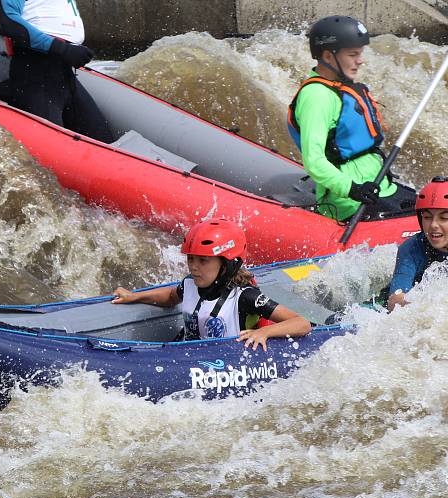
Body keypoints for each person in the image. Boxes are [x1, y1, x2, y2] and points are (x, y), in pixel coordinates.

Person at [112, 219, 312, 351]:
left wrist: (263, 332)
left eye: (203, 260)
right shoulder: (189, 285)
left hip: (224, 365)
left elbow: (302, 323)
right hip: (188, 356)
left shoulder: (245, 297)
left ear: (226, 264)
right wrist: (135, 296)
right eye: (191, 259)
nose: (194, 267)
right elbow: (172, 297)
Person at [287, 15, 414, 221]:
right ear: (328, 56)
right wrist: (352, 189)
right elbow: (314, 161)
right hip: (351, 202)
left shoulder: (339, 86)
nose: (360, 60)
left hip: (379, 187)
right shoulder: (317, 98)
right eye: (353, 54)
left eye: (360, 53)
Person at [0, 0, 113, 142]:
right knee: (49, 147)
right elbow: (11, 23)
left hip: (64, 73)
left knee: (105, 141)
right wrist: (62, 49)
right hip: (35, 71)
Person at [387, 176, 448, 311]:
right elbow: (395, 300)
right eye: (427, 217)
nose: (433, 225)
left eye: (444, 218)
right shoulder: (411, 248)